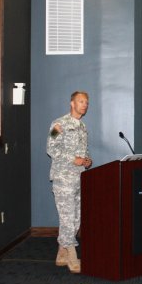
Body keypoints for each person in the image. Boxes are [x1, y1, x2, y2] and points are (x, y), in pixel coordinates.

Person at [47, 91, 92, 273]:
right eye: (81, 101)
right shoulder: (58, 124)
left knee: (76, 219)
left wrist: (87, 160)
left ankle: (61, 254)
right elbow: (51, 148)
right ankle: (72, 258)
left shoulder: (82, 126)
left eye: (86, 102)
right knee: (67, 219)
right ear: (72, 103)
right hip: (63, 178)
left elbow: (83, 150)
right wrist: (73, 159)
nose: (84, 105)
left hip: (79, 178)